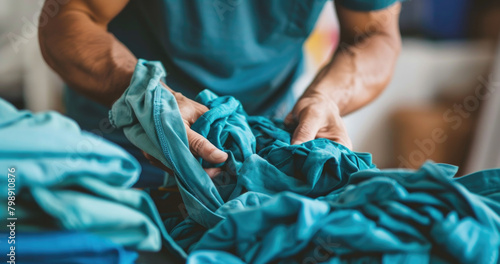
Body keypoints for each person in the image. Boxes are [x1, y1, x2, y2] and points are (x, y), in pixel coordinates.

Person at [39, 0, 403, 188]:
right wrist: (144, 97)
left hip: (269, 140)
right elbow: (69, 16)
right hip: (121, 139)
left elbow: (375, 34)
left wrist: (327, 97)